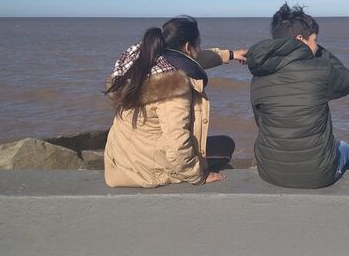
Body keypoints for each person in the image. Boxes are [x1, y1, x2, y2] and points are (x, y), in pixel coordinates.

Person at [103, 16, 247, 188]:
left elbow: (192, 60)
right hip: (143, 170)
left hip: (121, 159)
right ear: (188, 47)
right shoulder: (172, 87)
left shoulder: (144, 61)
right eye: (198, 44)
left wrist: (229, 54)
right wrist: (198, 176)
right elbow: (177, 142)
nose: (199, 48)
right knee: (225, 145)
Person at [246, 3, 349, 188]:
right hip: (318, 175)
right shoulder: (320, 70)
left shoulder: (258, 76)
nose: (316, 45)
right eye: (314, 40)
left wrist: (308, 47)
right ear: (300, 39)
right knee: (345, 148)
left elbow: (261, 121)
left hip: (269, 172)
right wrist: (321, 52)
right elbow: (348, 81)